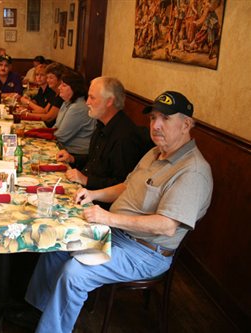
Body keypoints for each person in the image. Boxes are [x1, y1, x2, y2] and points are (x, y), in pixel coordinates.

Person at [23, 91, 213, 333]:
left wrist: (108, 217)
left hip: (146, 252)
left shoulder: (193, 171)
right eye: (153, 118)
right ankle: (38, 311)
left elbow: (166, 226)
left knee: (75, 273)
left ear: (186, 125)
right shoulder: (155, 152)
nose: (156, 126)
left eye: (165, 119)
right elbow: (127, 186)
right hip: (118, 234)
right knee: (57, 244)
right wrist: (94, 194)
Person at [56, 76, 147, 204]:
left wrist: (86, 180)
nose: (87, 102)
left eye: (92, 97)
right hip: (85, 191)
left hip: (100, 203)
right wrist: (73, 158)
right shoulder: (101, 124)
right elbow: (95, 160)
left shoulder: (125, 136)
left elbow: (123, 185)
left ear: (109, 101)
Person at [53, 71, 95, 162]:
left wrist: (40, 134)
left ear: (74, 88)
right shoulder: (67, 102)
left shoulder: (78, 107)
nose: (59, 87)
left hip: (77, 156)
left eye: (64, 85)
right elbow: (56, 127)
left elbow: (61, 136)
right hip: (65, 150)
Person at [20, 62, 66, 127]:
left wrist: (27, 113)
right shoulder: (55, 93)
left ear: (60, 79)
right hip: (44, 124)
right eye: (47, 77)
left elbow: (48, 117)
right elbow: (44, 110)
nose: (48, 80)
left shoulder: (58, 94)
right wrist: (26, 111)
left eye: (51, 78)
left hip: (50, 128)